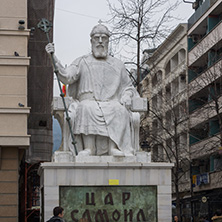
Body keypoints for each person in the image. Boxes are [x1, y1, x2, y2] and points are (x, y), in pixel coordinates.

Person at [46, 23, 140, 157]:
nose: (100, 41)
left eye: (104, 38)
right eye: (97, 38)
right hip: (88, 101)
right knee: (85, 108)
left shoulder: (118, 64)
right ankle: (89, 148)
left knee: (119, 110)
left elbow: (128, 87)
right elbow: (67, 76)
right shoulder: (81, 61)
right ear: (91, 41)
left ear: (108, 41)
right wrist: (53, 57)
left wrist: (127, 95)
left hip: (111, 102)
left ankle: (114, 146)